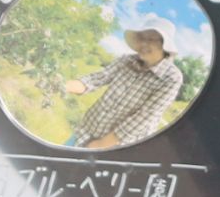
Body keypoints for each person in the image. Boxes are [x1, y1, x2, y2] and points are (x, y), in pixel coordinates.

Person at [63, 16, 183, 150]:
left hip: (116, 147)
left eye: (150, 39)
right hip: (86, 130)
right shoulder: (126, 60)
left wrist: (99, 145)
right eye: (142, 38)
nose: (143, 43)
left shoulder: (171, 78)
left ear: (165, 45)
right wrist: (62, 86)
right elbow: (97, 79)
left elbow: (143, 117)